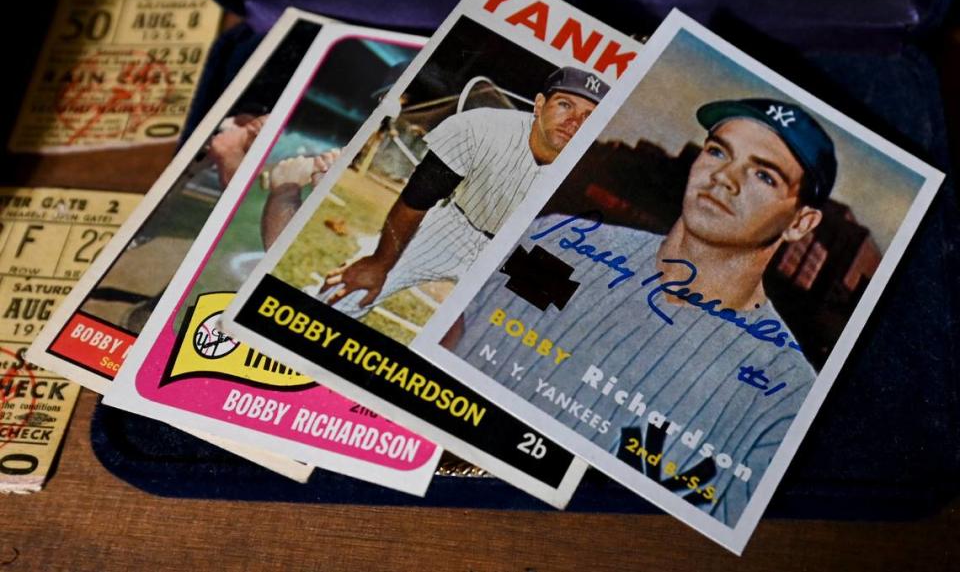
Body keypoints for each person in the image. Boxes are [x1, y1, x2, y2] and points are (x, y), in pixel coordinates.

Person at [446, 98, 837, 526]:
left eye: (763, 175)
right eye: (718, 151)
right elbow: (452, 345)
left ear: (800, 223)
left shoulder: (787, 394)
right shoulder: (560, 242)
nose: (725, 177)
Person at [317, 66, 610, 318]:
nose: (574, 122)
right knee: (346, 295)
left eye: (589, 116)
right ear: (539, 104)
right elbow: (418, 199)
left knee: (523, 341)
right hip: (457, 226)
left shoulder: (595, 179)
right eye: (565, 105)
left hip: (524, 255)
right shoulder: (481, 126)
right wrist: (379, 263)